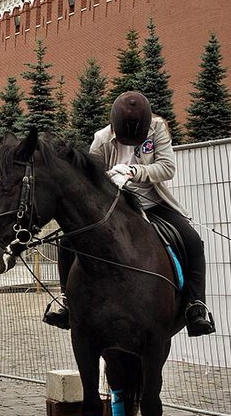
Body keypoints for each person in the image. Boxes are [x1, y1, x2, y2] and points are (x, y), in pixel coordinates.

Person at [43, 91, 215, 337]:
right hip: (116, 206)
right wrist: (108, 180)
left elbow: (167, 168)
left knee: (192, 241)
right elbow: (89, 179)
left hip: (152, 201)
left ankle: (195, 305)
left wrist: (134, 171)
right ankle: (67, 302)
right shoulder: (101, 139)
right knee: (67, 242)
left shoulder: (157, 129)